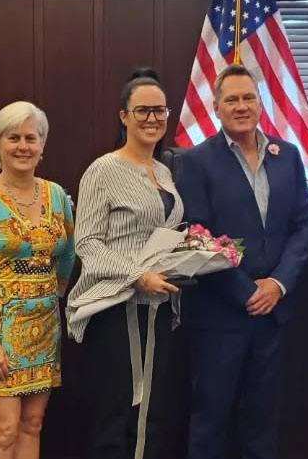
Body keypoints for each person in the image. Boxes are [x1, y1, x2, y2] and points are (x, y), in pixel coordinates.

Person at [174, 64, 308, 459]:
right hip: (220, 315)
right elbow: (196, 235)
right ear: (216, 107)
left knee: (262, 422)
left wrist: (278, 284)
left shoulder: (287, 156)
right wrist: (247, 291)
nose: (241, 106)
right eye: (232, 99)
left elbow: (303, 226)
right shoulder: (196, 161)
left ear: (260, 103)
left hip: (273, 314)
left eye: (249, 97)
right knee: (210, 422)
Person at [67, 68, 184, 459]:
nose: (152, 118)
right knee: (115, 414)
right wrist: (137, 276)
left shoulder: (164, 172)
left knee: (151, 414)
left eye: (159, 110)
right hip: (116, 310)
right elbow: (86, 243)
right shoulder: (103, 170)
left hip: (158, 308)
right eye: (142, 111)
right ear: (123, 116)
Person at [0, 100, 75, 459]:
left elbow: (67, 253)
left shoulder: (57, 195)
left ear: (42, 144)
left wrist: (54, 294)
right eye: (13, 138)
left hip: (45, 325)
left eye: (30, 137)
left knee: (32, 424)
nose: (23, 146)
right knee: (5, 430)